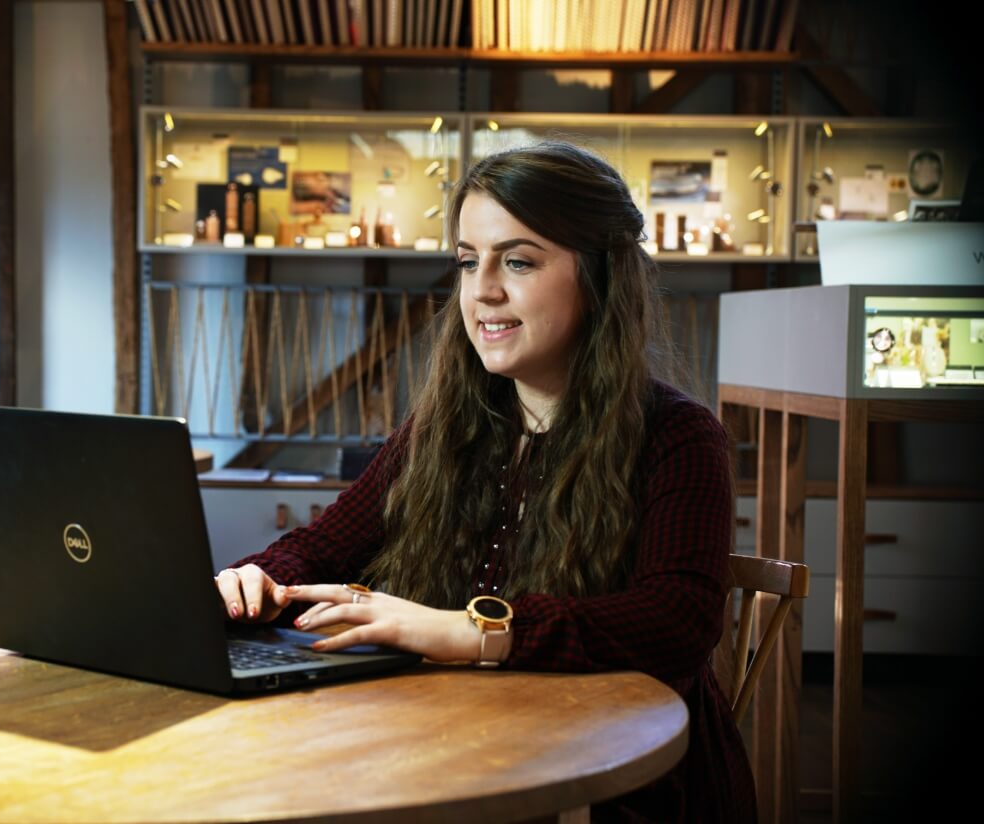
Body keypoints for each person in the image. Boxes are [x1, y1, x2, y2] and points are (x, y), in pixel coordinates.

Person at [214, 141, 757, 822]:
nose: (482, 290)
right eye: (469, 261)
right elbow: (322, 546)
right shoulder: (443, 426)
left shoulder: (678, 435)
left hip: (621, 784)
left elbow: (678, 619)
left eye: (519, 261)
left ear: (601, 277)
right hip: (459, 753)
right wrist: (256, 580)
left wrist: (471, 632)